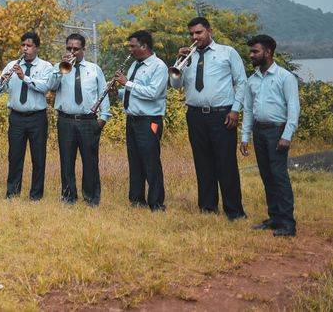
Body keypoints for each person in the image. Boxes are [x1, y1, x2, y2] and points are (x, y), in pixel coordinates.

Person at [170, 16, 248, 220]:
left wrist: (235, 110)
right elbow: (176, 85)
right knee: (202, 162)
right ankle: (207, 208)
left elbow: (241, 82)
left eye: (199, 32)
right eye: (191, 34)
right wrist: (179, 61)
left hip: (222, 115)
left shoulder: (227, 52)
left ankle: (234, 211)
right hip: (195, 115)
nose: (195, 37)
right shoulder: (188, 57)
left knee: (226, 163)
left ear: (209, 31)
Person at [240, 35, 300, 237]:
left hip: (277, 131)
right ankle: (274, 218)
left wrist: (287, 135)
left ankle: (288, 224)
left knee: (279, 176)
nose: (251, 55)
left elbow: (293, 108)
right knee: (267, 176)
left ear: (268, 52)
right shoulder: (252, 80)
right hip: (259, 131)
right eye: (251, 51)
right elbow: (248, 110)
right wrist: (245, 137)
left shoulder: (285, 77)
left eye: (255, 51)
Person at [111, 30, 169, 211]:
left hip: (149, 120)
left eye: (133, 46)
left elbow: (153, 93)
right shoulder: (135, 65)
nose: (130, 50)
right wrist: (118, 92)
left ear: (144, 46)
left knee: (150, 161)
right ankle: (136, 200)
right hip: (133, 120)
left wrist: (126, 83)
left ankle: (156, 203)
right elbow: (134, 92)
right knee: (135, 161)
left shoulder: (159, 66)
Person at [0, 31, 55, 200]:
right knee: (14, 157)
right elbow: (0, 87)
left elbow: (44, 87)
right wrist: (2, 81)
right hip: (17, 117)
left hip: (37, 117)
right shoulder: (12, 64)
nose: (25, 49)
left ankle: (35, 196)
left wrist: (24, 77)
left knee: (38, 158)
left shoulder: (45, 66)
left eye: (29, 46)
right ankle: (12, 194)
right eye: (23, 45)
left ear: (37, 48)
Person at [53, 33, 109, 205]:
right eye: (69, 48)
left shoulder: (94, 69)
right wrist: (60, 71)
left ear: (83, 50)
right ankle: (69, 196)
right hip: (66, 120)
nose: (72, 52)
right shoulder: (59, 67)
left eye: (76, 49)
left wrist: (103, 118)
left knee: (90, 161)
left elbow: (103, 92)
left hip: (88, 120)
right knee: (67, 160)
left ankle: (92, 197)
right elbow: (52, 87)